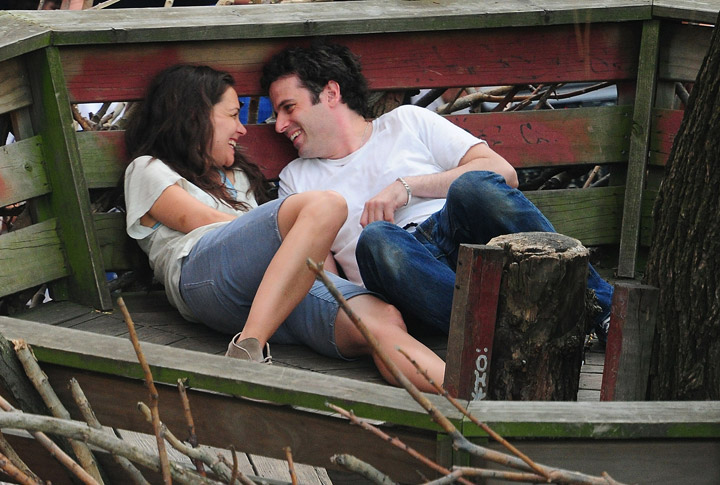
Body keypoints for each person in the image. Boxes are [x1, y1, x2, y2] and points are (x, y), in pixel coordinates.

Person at [123, 64, 445, 392]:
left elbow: (281, 241)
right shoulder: (148, 169)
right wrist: (294, 226)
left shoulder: (239, 176)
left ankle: (466, 403)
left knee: (381, 320)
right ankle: (247, 348)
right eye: (233, 115)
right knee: (326, 204)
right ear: (195, 117)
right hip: (204, 277)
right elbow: (203, 220)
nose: (242, 129)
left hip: (273, 292)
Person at [260, 43, 614, 341]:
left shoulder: (407, 121)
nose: (280, 125)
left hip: (466, 242)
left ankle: (605, 311)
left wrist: (406, 187)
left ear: (331, 93)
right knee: (377, 238)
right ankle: (502, 336)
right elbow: (325, 277)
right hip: (404, 278)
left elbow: (502, 173)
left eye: (289, 108)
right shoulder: (296, 179)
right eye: (277, 114)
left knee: (472, 187)